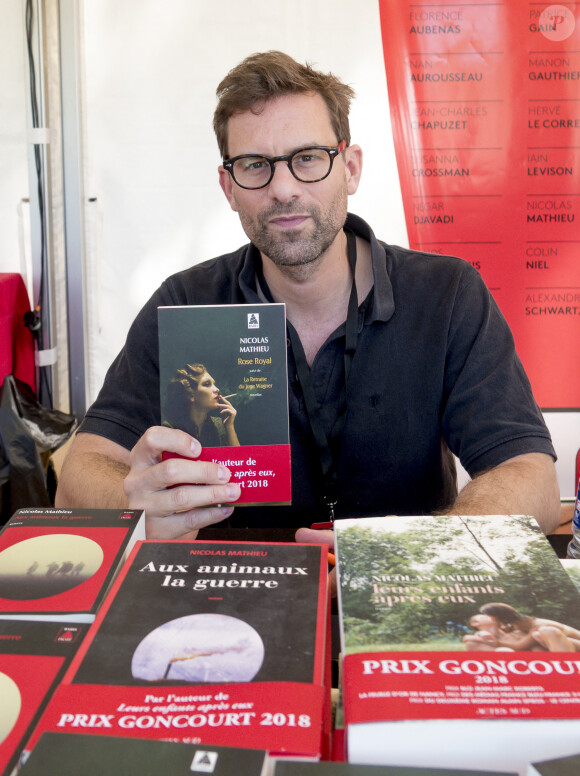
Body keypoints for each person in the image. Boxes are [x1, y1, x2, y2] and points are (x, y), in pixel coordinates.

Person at [55, 51, 560, 541]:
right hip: (232, 600)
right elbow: (78, 476)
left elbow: (530, 476)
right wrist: (134, 501)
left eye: (308, 159)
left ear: (351, 168)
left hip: (404, 594)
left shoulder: (446, 295)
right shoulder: (186, 303)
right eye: (255, 165)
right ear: (228, 188)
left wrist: (413, 550)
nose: (283, 188)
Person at [162, 363, 240, 447]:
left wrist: (229, 427)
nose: (217, 389)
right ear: (190, 394)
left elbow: (239, 459)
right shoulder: (170, 429)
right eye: (207, 384)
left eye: (214, 384)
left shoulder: (219, 425)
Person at [477, 602, 580, 652]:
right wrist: (482, 633)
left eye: (491, 618)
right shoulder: (516, 626)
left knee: (539, 635)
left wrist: (496, 643)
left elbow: (519, 646)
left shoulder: (537, 626)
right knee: (535, 647)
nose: (489, 620)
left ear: (499, 617)